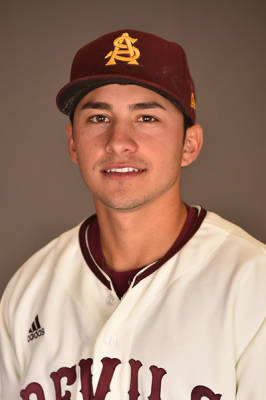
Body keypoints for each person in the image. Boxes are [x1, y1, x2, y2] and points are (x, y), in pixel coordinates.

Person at [0, 29, 265, 400]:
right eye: (97, 118)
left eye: (147, 118)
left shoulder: (253, 283)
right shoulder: (27, 291)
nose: (118, 141)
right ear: (73, 143)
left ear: (190, 144)